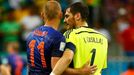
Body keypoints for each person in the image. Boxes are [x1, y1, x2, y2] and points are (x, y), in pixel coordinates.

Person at [27, 1, 96, 75]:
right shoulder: (58, 38)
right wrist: (81, 71)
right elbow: (56, 69)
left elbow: (29, 66)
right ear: (60, 15)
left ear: (42, 15)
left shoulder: (30, 35)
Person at [51, 2, 108, 75]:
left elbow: (67, 58)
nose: (64, 20)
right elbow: (100, 69)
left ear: (77, 16)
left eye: (67, 16)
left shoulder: (72, 34)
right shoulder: (103, 38)